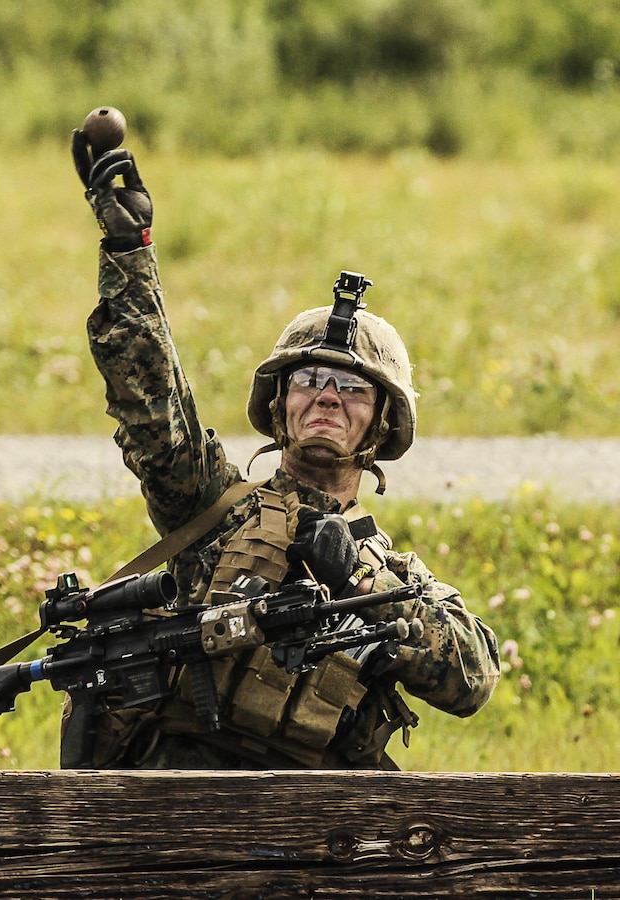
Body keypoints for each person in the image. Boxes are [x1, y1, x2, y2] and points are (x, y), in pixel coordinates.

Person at [69, 130, 500, 770]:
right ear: (279, 405)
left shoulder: (398, 580)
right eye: (308, 381)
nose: (327, 398)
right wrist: (130, 254)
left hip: (318, 834)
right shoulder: (214, 509)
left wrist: (358, 577)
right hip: (173, 807)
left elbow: (474, 678)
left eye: (353, 389)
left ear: (382, 424)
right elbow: (152, 403)